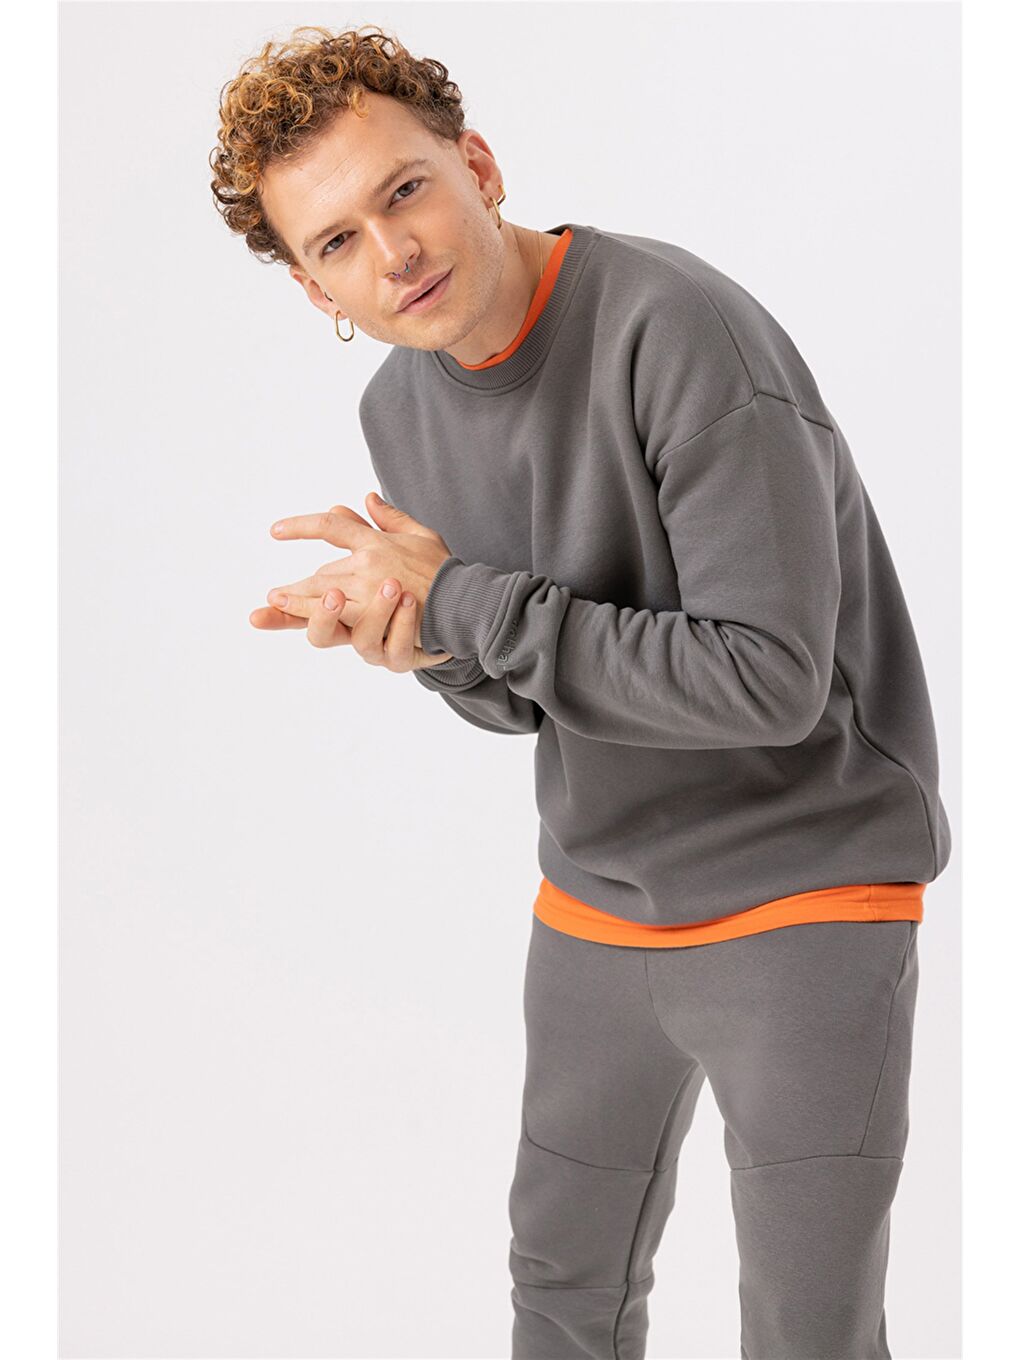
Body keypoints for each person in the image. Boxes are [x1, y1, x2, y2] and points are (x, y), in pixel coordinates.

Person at [213, 23, 951, 1360]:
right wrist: (430, 647)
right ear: (318, 292)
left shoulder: (680, 332)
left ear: (479, 165)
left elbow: (768, 681)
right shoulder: (401, 410)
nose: (394, 252)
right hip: (597, 903)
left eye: (405, 189)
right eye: (338, 243)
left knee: (809, 1330)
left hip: (809, 890)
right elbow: (531, 694)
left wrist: (460, 604)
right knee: (560, 1294)